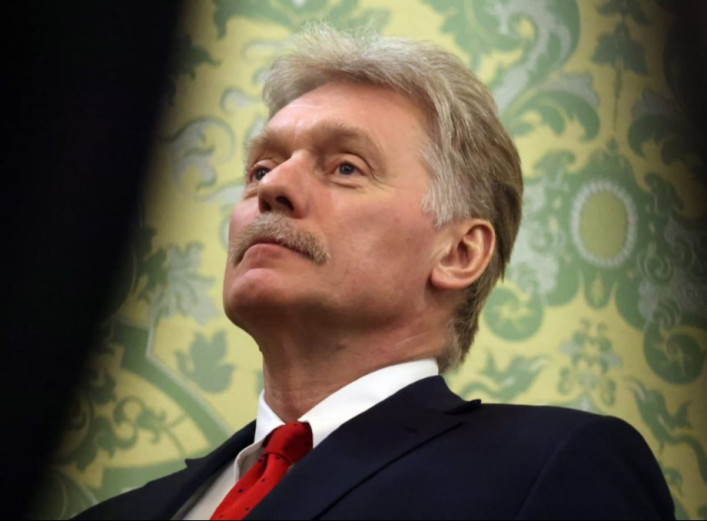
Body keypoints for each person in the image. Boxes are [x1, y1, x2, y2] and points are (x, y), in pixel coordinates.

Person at [76, 25, 674, 520]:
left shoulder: (554, 465)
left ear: (458, 253)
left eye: (345, 168)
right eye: (260, 169)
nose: (273, 187)